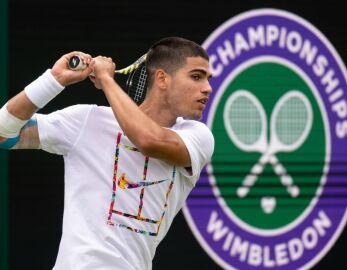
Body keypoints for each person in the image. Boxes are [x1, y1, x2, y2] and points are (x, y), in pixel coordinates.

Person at [0, 37, 214, 270]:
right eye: (196, 76)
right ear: (162, 79)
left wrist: (106, 80)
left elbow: (148, 140)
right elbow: (4, 133)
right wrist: (53, 80)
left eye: (207, 79)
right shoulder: (87, 120)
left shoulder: (197, 137)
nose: (207, 88)